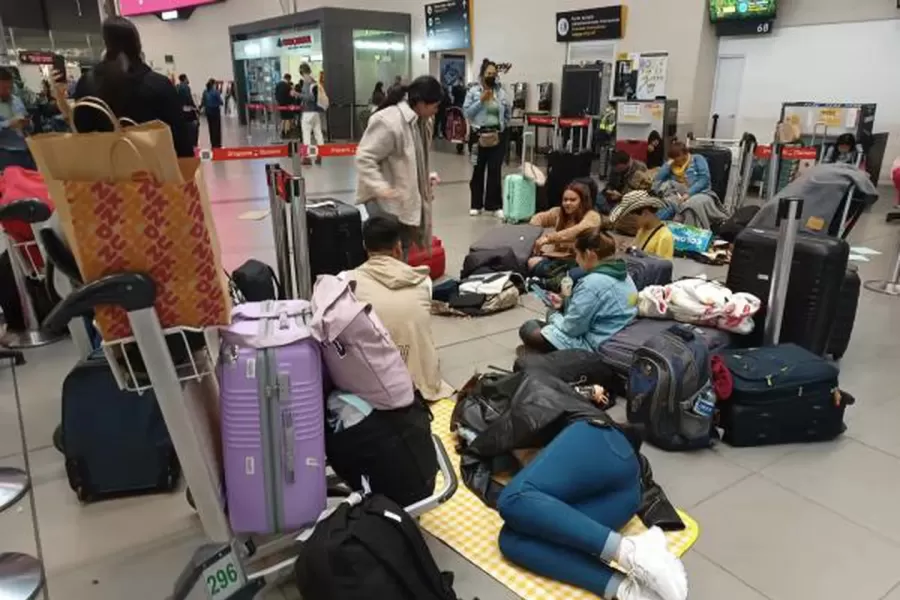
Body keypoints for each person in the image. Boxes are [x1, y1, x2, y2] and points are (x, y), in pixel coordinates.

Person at [497, 397, 689, 600]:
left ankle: (631, 552)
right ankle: (627, 590)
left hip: (602, 442)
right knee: (511, 538)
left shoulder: (494, 401)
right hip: (624, 494)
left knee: (512, 499)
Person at [55, 16, 194, 158]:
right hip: (153, 175)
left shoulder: (86, 84)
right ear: (137, 46)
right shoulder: (159, 85)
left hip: (107, 175)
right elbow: (182, 146)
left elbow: (82, 136)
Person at [351, 215, 453, 401]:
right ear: (398, 248)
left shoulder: (347, 282)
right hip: (418, 387)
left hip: (371, 386)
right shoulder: (424, 281)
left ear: (365, 248)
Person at [355, 75, 442, 257]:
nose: (436, 111)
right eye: (434, 106)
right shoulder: (388, 121)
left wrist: (423, 179)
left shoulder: (423, 121)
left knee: (403, 250)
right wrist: (382, 188)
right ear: (420, 103)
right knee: (386, 257)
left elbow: (412, 157)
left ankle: (399, 283)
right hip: (384, 204)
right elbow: (364, 157)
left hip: (403, 198)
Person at [519, 228, 638, 353]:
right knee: (554, 313)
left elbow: (571, 328)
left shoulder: (592, 284)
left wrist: (555, 315)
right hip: (616, 334)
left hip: (596, 345)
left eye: (577, 254)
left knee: (530, 328)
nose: (576, 260)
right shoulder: (624, 274)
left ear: (588, 254)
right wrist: (563, 304)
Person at [464, 59, 511, 218]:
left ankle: (494, 205)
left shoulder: (501, 92)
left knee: (495, 170)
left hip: (497, 136)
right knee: (478, 170)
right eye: (488, 73)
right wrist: (481, 100)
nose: (491, 76)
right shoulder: (473, 91)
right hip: (478, 136)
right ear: (482, 74)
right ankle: (476, 204)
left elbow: (507, 111)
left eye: (494, 74)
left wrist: (504, 125)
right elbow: (467, 113)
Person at [527, 182, 603, 277]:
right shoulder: (559, 212)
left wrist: (548, 239)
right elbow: (538, 218)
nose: (567, 203)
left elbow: (578, 231)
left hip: (580, 262)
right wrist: (533, 234)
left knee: (536, 266)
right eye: (565, 200)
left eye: (573, 200)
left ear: (583, 201)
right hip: (559, 258)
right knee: (531, 262)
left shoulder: (593, 216)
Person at [654, 141, 726, 229]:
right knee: (668, 203)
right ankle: (652, 227)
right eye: (673, 158)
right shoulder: (672, 165)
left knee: (690, 205)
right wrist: (667, 164)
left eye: (677, 157)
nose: (676, 160)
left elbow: (704, 179)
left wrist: (688, 193)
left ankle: (690, 234)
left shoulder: (697, 159)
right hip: (678, 193)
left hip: (701, 192)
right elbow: (658, 179)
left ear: (685, 153)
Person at [611, 191, 675, 260]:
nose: (631, 223)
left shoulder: (664, 237)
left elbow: (662, 266)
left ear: (644, 213)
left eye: (633, 219)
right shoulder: (642, 230)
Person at [0, 68, 36, 170]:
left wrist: (28, 124)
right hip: (5, 153)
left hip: (26, 151)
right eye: (3, 88)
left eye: (10, 87)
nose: (8, 91)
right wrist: (8, 124)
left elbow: (28, 121)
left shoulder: (16, 100)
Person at [297, 63, 325, 166]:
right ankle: (320, 155)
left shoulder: (306, 82)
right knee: (318, 134)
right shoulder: (314, 81)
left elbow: (310, 98)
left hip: (308, 112)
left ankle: (306, 158)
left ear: (302, 72)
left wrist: (297, 94)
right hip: (316, 112)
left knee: (306, 135)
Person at [176, 74, 199, 147]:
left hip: (181, 111)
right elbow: (189, 99)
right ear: (185, 79)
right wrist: (195, 108)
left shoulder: (178, 87)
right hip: (188, 111)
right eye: (187, 78)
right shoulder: (186, 87)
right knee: (194, 126)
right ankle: (193, 144)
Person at [201, 78, 223, 148]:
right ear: (213, 84)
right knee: (217, 127)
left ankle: (213, 143)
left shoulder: (205, 92)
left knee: (211, 127)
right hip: (215, 111)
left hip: (208, 112)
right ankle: (217, 143)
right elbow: (221, 102)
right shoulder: (216, 92)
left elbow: (203, 102)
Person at [275, 73, 295, 138]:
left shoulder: (278, 84)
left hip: (280, 104)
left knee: (283, 118)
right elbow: (291, 95)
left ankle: (282, 131)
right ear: (289, 79)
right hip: (287, 104)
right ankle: (288, 131)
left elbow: (276, 94)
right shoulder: (288, 86)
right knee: (288, 118)